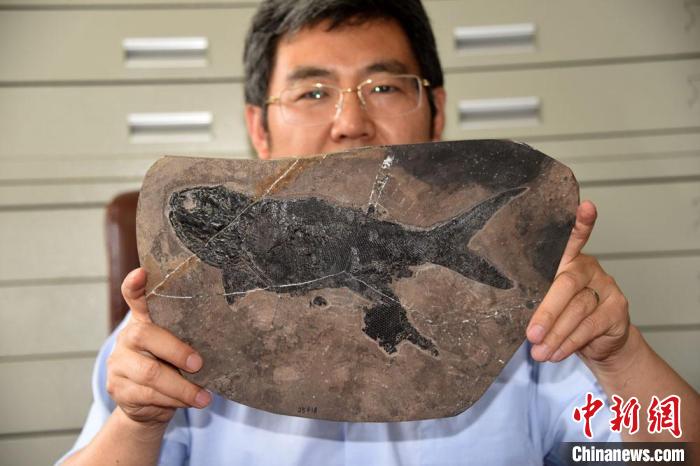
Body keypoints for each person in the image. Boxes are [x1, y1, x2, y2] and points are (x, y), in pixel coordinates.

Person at [60, 1, 698, 464]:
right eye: (312, 92)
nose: (350, 122)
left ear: (436, 112)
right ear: (259, 129)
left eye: (385, 86)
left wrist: (621, 358)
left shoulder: (536, 319)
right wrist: (138, 424)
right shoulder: (170, 328)